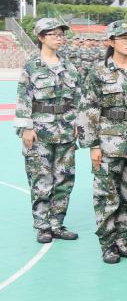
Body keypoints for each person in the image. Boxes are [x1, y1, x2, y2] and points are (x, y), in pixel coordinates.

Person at [80, 21, 127, 264]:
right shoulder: (98, 72)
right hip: (107, 142)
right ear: (111, 42)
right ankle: (108, 244)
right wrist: (93, 145)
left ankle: (123, 239)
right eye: (124, 38)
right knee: (106, 196)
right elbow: (88, 109)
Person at [15, 18, 80, 244]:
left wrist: (76, 123)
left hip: (66, 131)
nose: (59, 38)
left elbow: (77, 98)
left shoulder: (70, 66)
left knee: (65, 179)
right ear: (41, 38)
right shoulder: (31, 66)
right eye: (54, 35)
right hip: (40, 131)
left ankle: (57, 224)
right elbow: (23, 98)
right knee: (41, 179)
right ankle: (42, 226)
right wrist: (26, 127)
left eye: (62, 35)